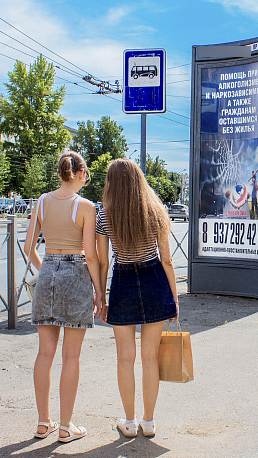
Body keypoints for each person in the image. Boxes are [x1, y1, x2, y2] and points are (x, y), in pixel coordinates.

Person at [96, 158, 179, 439]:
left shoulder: (104, 216)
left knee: (125, 358)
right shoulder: (155, 210)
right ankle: (149, 421)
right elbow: (167, 260)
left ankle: (129, 422)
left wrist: (101, 297)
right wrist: (174, 299)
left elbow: (103, 262)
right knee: (150, 357)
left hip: (123, 282)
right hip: (154, 280)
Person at [24, 151, 104, 443]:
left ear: (60, 174)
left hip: (47, 273)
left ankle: (43, 422)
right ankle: (67, 426)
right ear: (81, 174)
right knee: (71, 356)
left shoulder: (42, 202)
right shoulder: (85, 206)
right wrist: (99, 292)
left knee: (44, 353)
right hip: (76, 274)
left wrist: (48, 270)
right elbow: (91, 256)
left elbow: (28, 247)